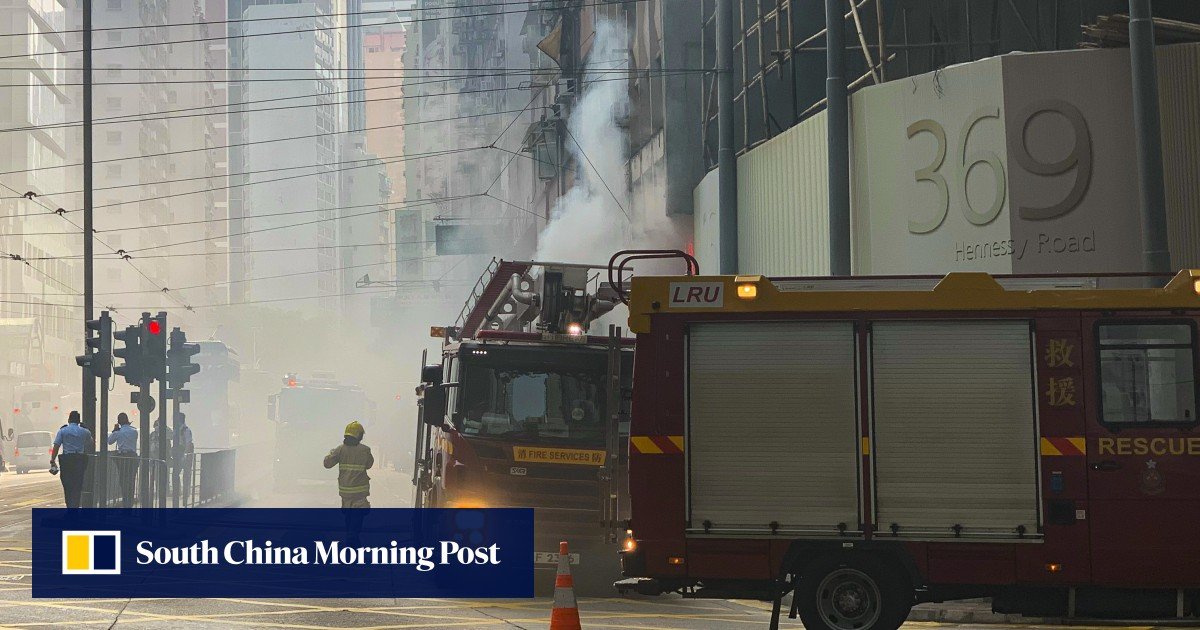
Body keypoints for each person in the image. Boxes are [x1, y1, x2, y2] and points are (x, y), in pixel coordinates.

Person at [323, 421, 373, 544]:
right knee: (358, 516)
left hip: (345, 491)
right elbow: (369, 464)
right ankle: (353, 537)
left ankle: (350, 537)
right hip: (360, 491)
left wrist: (331, 453)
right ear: (359, 435)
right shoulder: (365, 450)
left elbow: (327, 464)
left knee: (348, 516)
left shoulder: (340, 450)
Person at [50, 411, 93, 509]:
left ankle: (69, 505)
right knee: (77, 486)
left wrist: (52, 460)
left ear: (69, 420)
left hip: (67, 461)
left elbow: (56, 446)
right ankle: (75, 506)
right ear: (79, 421)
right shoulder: (85, 431)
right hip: (79, 460)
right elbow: (91, 444)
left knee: (67, 485)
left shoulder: (63, 431)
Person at [107, 413, 138, 509]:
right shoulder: (134, 431)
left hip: (123, 457)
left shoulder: (118, 432)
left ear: (119, 421)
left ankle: (126, 502)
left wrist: (114, 430)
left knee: (123, 480)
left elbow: (109, 441)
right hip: (133, 457)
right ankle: (130, 502)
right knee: (131, 480)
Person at [172, 413, 194, 504]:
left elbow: (188, 444)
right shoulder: (177, 430)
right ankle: (178, 493)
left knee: (186, 476)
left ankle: (185, 497)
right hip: (179, 455)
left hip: (184, 455)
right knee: (175, 474)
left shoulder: (186, 430)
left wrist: (184, 455)